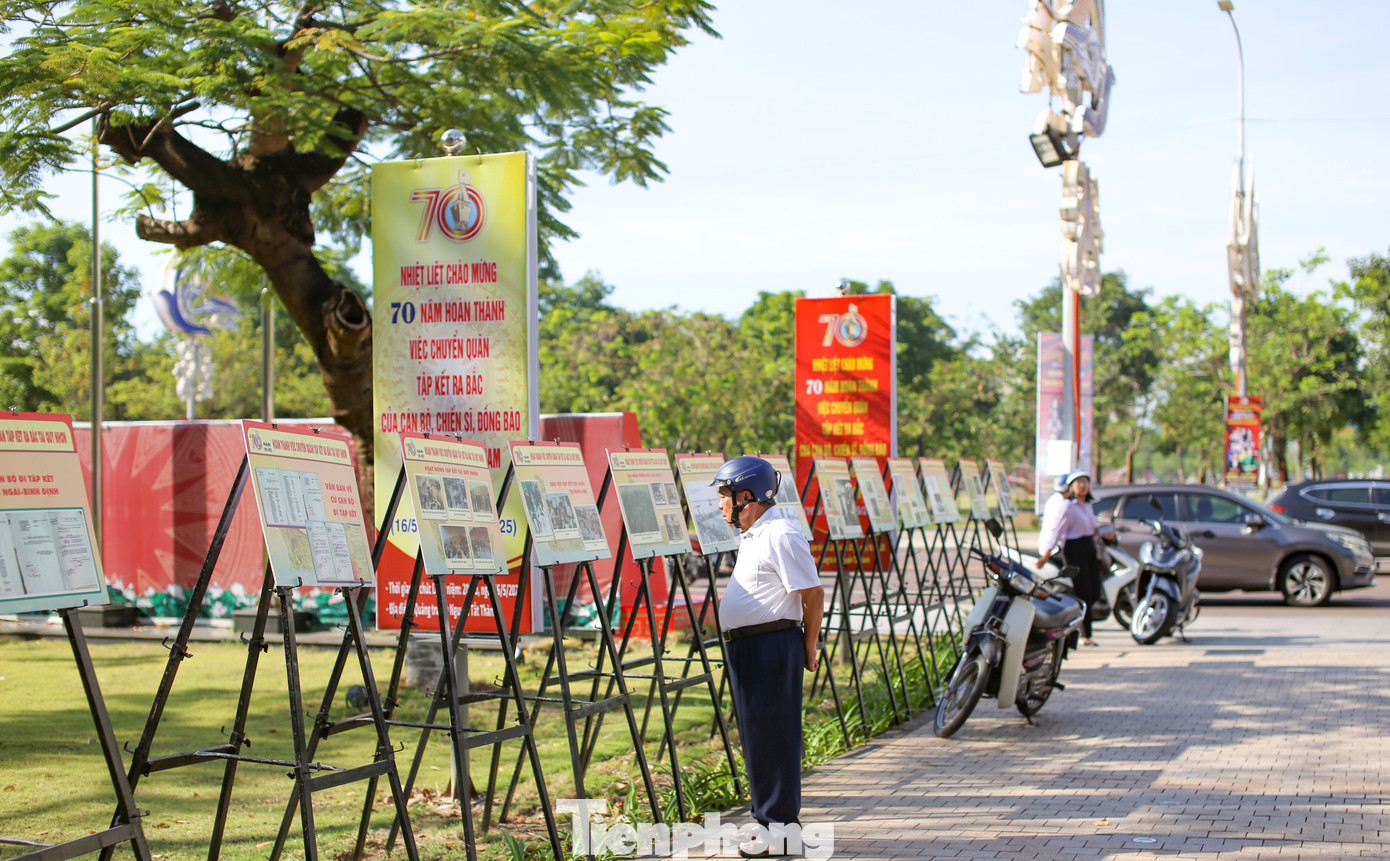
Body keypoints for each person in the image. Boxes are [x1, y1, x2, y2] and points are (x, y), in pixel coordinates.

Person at [713, 456, 825, 858]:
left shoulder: (780, 534)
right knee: (760, 739)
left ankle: (779, 831)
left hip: (772, 646)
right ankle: (771, 823)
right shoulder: (755, 535)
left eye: (725, 495)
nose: (721, 504)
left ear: (748, 496)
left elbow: (812, 594)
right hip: (752, 647)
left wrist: (809, 646)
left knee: (774, 738)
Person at [1036, 468, 1101, 646]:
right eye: (1078, 483)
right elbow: (1057, 531)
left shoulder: (1088, 505)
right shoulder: (1067, 506)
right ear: (1071, 487)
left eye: (1085, 482)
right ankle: (1085, 634)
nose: (1082, 486)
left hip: (1089, 547)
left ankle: (1075, 623)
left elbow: (1090, 527)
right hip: (1074, 549)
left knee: (1096, 590)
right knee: (1084, 592)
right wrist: (1046, 554)